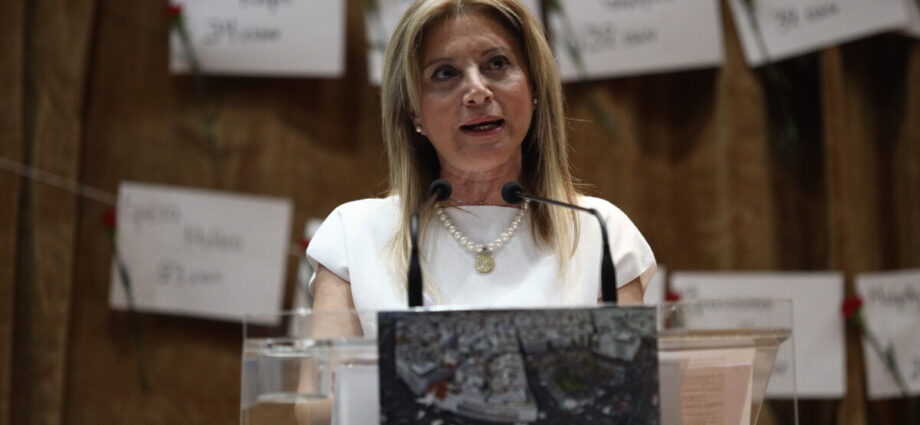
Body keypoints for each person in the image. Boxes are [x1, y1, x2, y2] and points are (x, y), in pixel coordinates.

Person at [306, 0, 656, 338]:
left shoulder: (600, 231)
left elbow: (630, 377)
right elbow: (323, 381)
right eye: (445, 73)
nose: (476, 91)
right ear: (414, 110)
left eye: (497, 64)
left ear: (534, 87)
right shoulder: (354, 236)